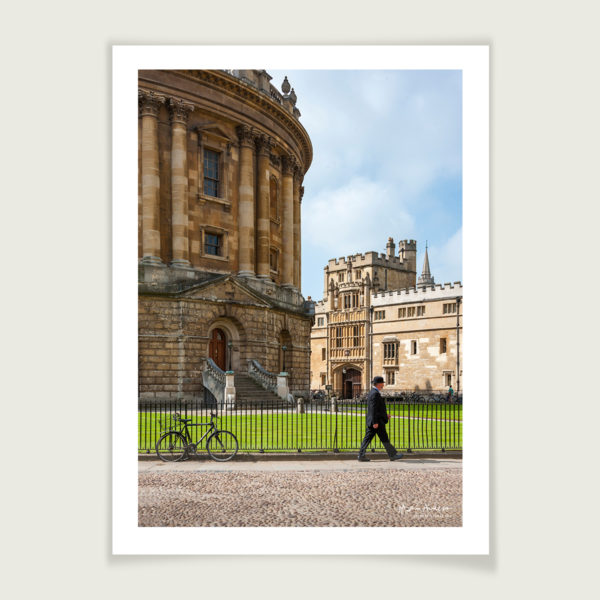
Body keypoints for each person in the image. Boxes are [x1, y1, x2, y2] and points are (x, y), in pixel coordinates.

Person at [358, 376, 403, 462]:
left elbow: (377, 408)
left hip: (376, 420)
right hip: (376, 421)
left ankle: (361, 455)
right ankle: (392, 455)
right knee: (382, 438)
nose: (383, 385)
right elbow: (373, 409)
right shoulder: (375, 393)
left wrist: (385, 415)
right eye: (382, 383)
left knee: (374, 438)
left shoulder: (373, 392)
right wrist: (375, 422)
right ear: (379, 384)